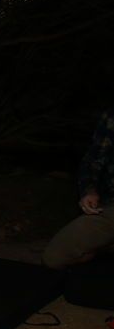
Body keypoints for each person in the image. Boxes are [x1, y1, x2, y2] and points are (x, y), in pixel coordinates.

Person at [42, 107, 114, 268]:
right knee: (54, 257)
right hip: (111, 209)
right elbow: (93, 160)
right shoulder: (111, 116)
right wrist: (89, 190)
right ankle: (105, 246)